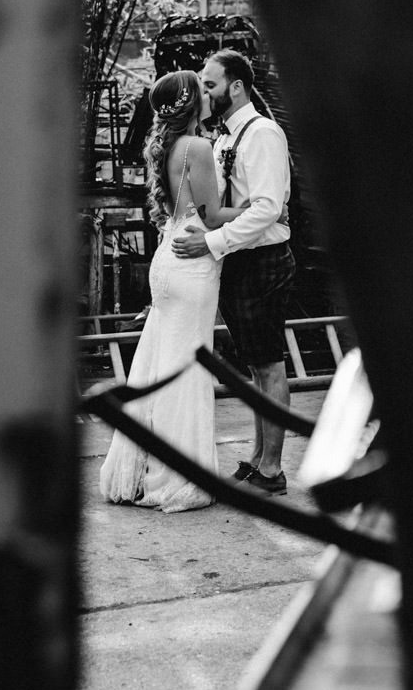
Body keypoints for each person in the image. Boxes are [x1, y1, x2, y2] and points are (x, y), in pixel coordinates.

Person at [99, 69, 249, 512]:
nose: (208, 94)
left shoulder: (165, 145)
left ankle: (145, 469)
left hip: (168, 256)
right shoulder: (198, 147)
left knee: (158, 361)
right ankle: (178, 477)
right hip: (192, 261)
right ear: (188, 102)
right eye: (202, 89)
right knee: (187, 367)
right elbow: (211, 213)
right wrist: (263, 207)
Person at [173, 49, 295, 494]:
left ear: (236, 86)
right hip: (239, 260)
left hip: (262, 261)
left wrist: (211, 242)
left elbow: (266, 209)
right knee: (256, 366)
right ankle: (259, 457)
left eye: (210, 84)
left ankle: (273, 470)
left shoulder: (262, 134)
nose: (203, 92)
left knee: (269, 363)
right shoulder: (225, 137)